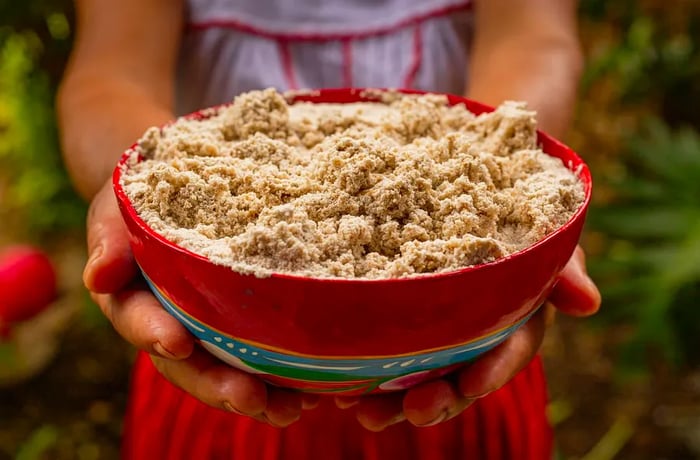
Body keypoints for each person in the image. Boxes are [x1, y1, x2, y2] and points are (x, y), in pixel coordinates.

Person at [57, 0, 601, 458]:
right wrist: (127, 194)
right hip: (211, 339)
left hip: (464, 347)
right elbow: (107, 76)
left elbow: (536, 43)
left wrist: (514, 165)